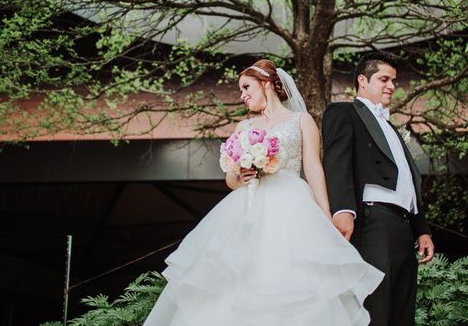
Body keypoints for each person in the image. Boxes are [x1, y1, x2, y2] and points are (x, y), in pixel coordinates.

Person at [143, 59, 383, 326]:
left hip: (292, 206)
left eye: (247, 87)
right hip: (247, 207)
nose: (243, 95)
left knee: (292, 279)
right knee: (238, 280)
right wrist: (240, 176)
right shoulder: (242, 128)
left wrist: (325, 213)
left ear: (266, 84)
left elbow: (314, 168)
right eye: (241, 90)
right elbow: (230, 180)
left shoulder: (300, 120)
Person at [322, 52, 435, 326]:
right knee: (376, 306)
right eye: (384, 79)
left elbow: (408, 181)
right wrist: (342, 210)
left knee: (402, 308)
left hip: (403, 225)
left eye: (394, 81)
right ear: (362, 80)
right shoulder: (344, 112)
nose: (391, 86)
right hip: (373, 222)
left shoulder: (392, 128)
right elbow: (337, 163)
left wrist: (422, 229)